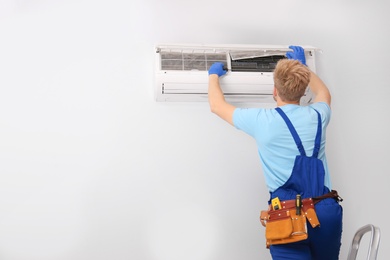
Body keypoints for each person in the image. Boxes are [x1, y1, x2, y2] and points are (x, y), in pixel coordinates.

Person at [208, 46, 343, 260]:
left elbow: (216, 105)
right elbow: (324, 94)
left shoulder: (263, 121)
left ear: (274, 91)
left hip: (287, 215)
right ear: (303, 89)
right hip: (325, 214)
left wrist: (214, 75)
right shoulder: (318, 115)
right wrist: (303, 68)